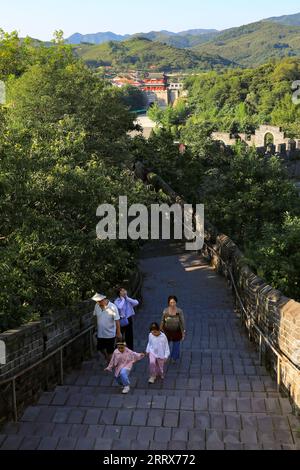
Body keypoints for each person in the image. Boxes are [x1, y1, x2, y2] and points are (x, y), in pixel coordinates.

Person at [92, 293, 122, 364]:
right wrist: (95, 327)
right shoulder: (97, 306)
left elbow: (117, 320)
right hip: (100, 333)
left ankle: (110, 363)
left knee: (110, 351)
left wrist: (118, 332)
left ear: (104, 299)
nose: (98, 302)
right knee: (100, 348)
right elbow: (95, 316)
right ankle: (107, 357)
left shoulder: (113, 307)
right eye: (97, 301)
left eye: (99, 301)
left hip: (110, 334)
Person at [160, 296, 186, 364]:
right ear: (168, 303)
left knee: (176, 345)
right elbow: (162, 321)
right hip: (167, 331)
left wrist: (183, 331)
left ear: (176, 302)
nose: (172, 304)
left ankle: (174, 358)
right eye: (171, 302)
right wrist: (160, 329)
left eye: (174, 302)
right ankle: (165, 357)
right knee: (165, 345)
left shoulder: (179, 311)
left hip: (177, 331)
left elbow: (182, 321)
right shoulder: (165, 311)